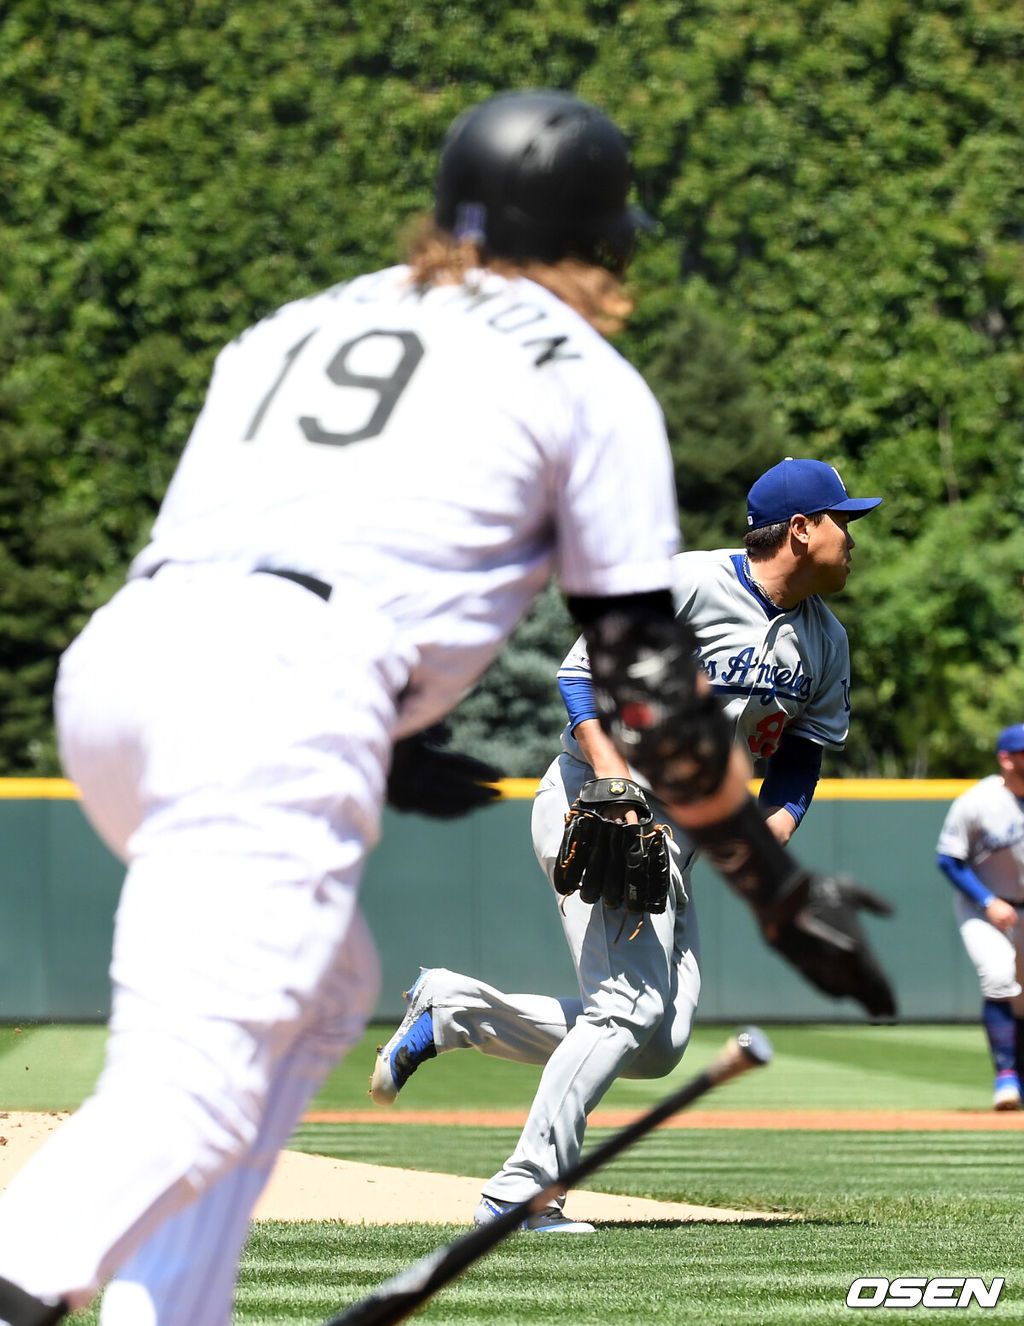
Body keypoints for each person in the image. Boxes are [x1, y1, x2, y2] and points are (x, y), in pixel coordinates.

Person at [0, 89, 891, 1326]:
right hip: (283, 689)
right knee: (196, 1084)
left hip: (128, 658)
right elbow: (629, 668)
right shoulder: (589, 377)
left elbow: (284, 529)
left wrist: (392, 733)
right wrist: (779, 894)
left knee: (307, 1010)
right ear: (595, 238)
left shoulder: (298, 326)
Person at [370, 457, 890, 1231]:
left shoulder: (825, 642)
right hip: (598, 806)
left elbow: (802, 756)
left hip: (678, 835)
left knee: (658, 1042)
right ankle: (521, 1191)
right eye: (843, 521)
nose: (854, 538)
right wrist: (613, 784)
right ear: (801, 529)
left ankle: (453, 1011)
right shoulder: (684, 584)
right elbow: (579, 677)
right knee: (626, 1004)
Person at [936, 724, 1024, 1110]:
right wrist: (987, 900)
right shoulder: (978, 801)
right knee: (999, 975)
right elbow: (949, 860)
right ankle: (1006, 1075)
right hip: (985, 908)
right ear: (1006, 758)